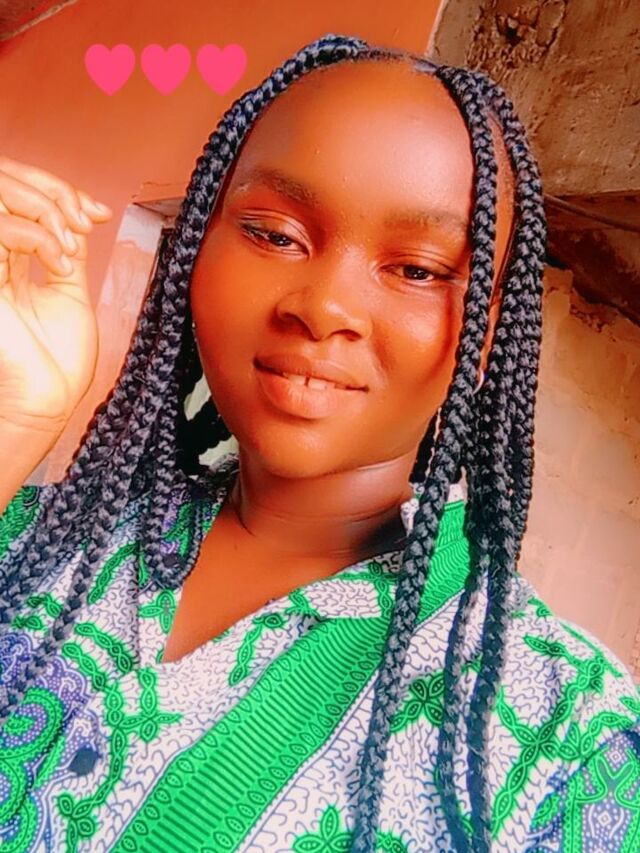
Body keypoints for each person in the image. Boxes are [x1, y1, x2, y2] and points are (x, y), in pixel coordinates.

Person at [0, 32, 638, 853]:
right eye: (274, 234)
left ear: (485, 335)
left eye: (417, 270)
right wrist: (14, 419)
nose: (323, 305)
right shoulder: (40, 531)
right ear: (197, 248)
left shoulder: (572, 743)